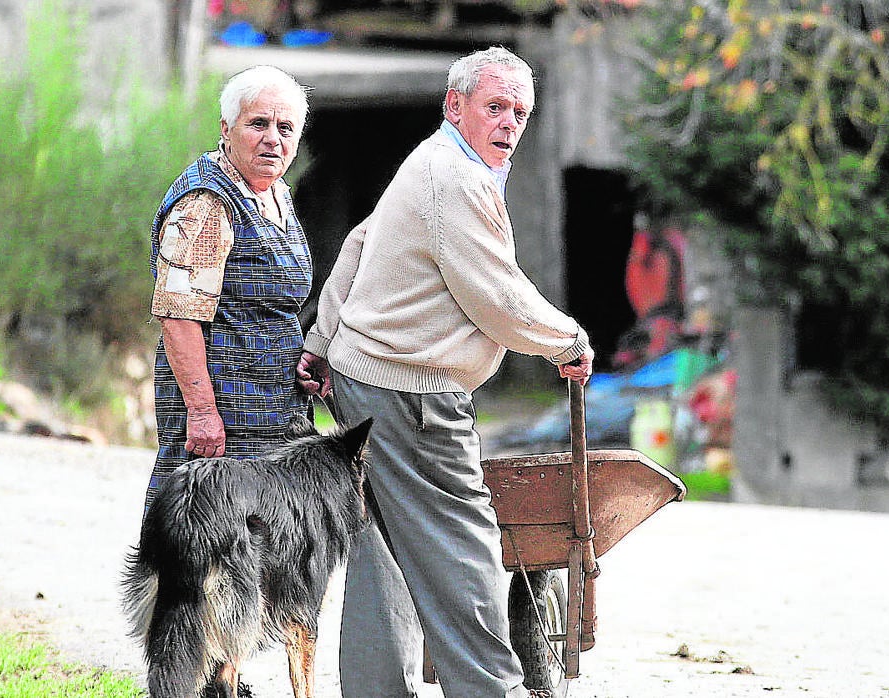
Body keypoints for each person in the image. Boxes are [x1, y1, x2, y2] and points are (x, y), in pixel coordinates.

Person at [295, 46, 593, 698]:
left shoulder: (433, 161)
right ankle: (493, 692)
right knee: (464, 546)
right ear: (454, 106)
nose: (509, 122)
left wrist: (321, 340)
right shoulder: (454, 179)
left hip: (364, 379)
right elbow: (498, 297)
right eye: (495, 107)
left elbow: (358, 244)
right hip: (410, 392)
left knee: (383, 554)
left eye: (519, 111)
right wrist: (566, 342)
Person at [143, 64, 312, 515]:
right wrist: (201, 411)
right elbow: (178, 314)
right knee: (205, 540)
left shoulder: (276, 193)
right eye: (258, 123)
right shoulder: (207, 201)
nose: (272, 138)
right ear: (227, 128)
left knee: (265, 547)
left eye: (285, 127)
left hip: (276, 405)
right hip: (222, 408)